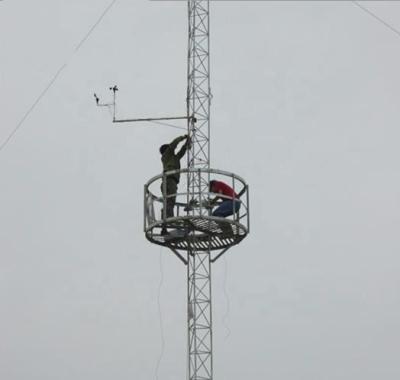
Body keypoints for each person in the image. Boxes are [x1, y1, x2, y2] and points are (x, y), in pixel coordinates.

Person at [159, 134, 190, 233]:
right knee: (169, 202)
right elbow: (174, 144)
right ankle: (169, 219)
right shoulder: (166, 156)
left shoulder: (174, 158)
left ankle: (164, 227)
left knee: (169, 202)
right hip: (169, 181)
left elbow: (182, 151)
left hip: (172, 182)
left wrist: (188, 142)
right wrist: (183, 137)